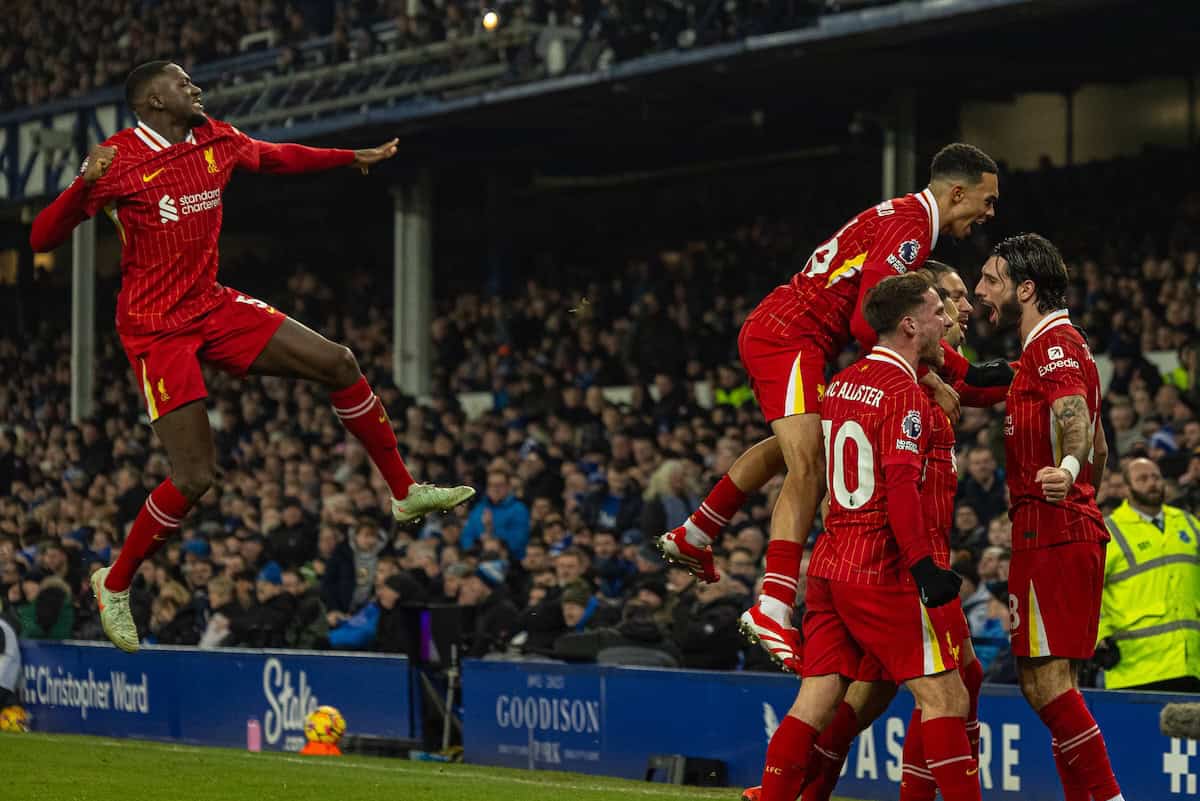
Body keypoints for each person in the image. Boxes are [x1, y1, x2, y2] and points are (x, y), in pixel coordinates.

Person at [29, 61, 474, 654]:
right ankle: (114, 583)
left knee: (339, 362)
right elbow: (40, 239)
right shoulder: (118, 161)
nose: (196, 88)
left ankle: (403, 492)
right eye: (183, 83)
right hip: (157, 330)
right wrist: (83, 185)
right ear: (153, 100)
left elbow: (276, 155)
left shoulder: (215, 137)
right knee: (194, 478)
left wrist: (349, 157)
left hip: (211, 305)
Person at [659, 143, 999, 672]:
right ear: (959, 192)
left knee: (806, 447)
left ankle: (697, 532)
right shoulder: (912, 228)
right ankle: (773, 605)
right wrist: (932, 375)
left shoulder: (903, 217)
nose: (989, 212)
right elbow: (871, 323)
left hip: (792, 334)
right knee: (812, 466)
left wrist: (957, 373)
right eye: (987, 200)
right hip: (792, 336)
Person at [745, 267, 1007, 801]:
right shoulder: (902, 395)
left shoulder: (842, 385)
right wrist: (922, 567)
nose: (947, 318)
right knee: (947, 697)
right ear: (910, 325)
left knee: (816, 701)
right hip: (884, 567)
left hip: (831, 562)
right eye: (938, 310)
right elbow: (902, 489)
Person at [974, 233, 1123, 801]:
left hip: (1052, 530)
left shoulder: (1054, 344)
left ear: (1026, 288)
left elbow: (1076, 418)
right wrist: (1084, 492)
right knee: (1053, 686)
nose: (984, 291)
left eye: (992, 280)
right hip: (1066, 529)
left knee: (1046, 684)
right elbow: (1102, 449)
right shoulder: (1054, 347)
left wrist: (1065, 471)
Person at [1096, 457, 1200, 692]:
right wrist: (1100, 636)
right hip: (1135, 668)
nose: (1152, 483)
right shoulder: (1108, 531)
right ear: (1126, 488)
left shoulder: (1188, 523)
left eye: (1155, 477)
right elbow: (1082, 590)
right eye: (1142, 479)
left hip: (1190, 662)